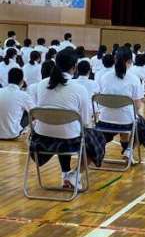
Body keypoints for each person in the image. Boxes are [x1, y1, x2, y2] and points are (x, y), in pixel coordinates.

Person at [30, 50, 106, 190]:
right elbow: (85, 121)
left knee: (63, 131)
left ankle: (65, 174)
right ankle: (75, 174)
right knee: (97, 137)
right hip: (68, 138)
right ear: (74, 67)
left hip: (41, 139)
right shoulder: (79, 89)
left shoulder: (41, 84)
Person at [97, 47, 144, 162]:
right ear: (130, 61)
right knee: (142, 126)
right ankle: (128, 150)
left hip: (104, 121)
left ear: (115, 59)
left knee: (123, 118)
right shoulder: (134, 79)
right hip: (125, 122)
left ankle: (99, 148)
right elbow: (137, 105)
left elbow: (101, 97)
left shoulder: (104, 77)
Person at [0, 68, 34, 139]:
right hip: (12, 135)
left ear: (8, 79)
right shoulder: (23, 95)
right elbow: (35, 113)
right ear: (22, 81)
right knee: (28, 113)